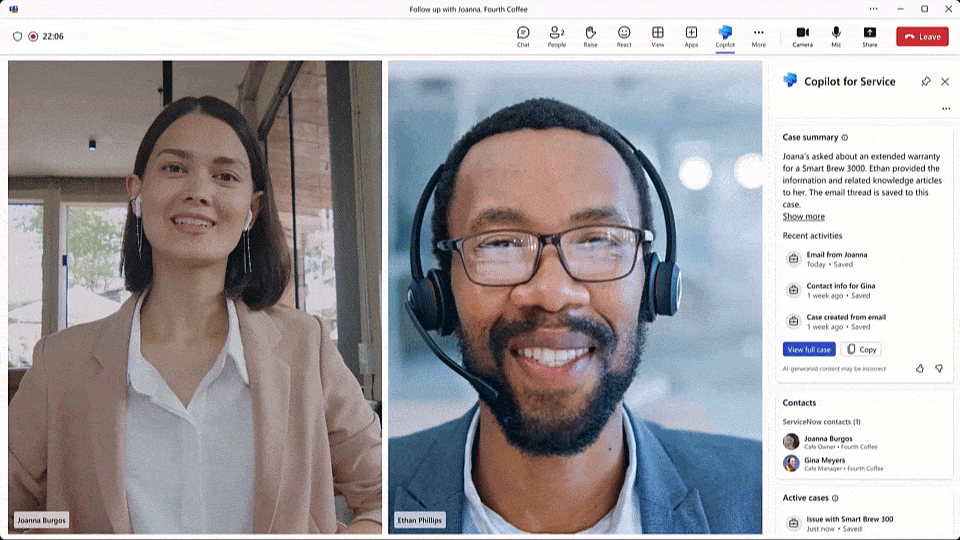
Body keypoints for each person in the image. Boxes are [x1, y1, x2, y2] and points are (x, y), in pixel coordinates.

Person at [8, 96, 381, 534]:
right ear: (136, 192)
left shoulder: (306, 346)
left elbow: (383, 493)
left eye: (225, 176)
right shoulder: (61, 363)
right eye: (174, 168)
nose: (198, 192)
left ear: (251, 210)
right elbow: (13, 512)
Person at [389, 98, 760, 534]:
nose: (551, 292)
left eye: (598, 241)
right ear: (440, 292)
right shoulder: (386, 487)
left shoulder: (762, 494)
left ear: (654, 284)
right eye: (501, 244)